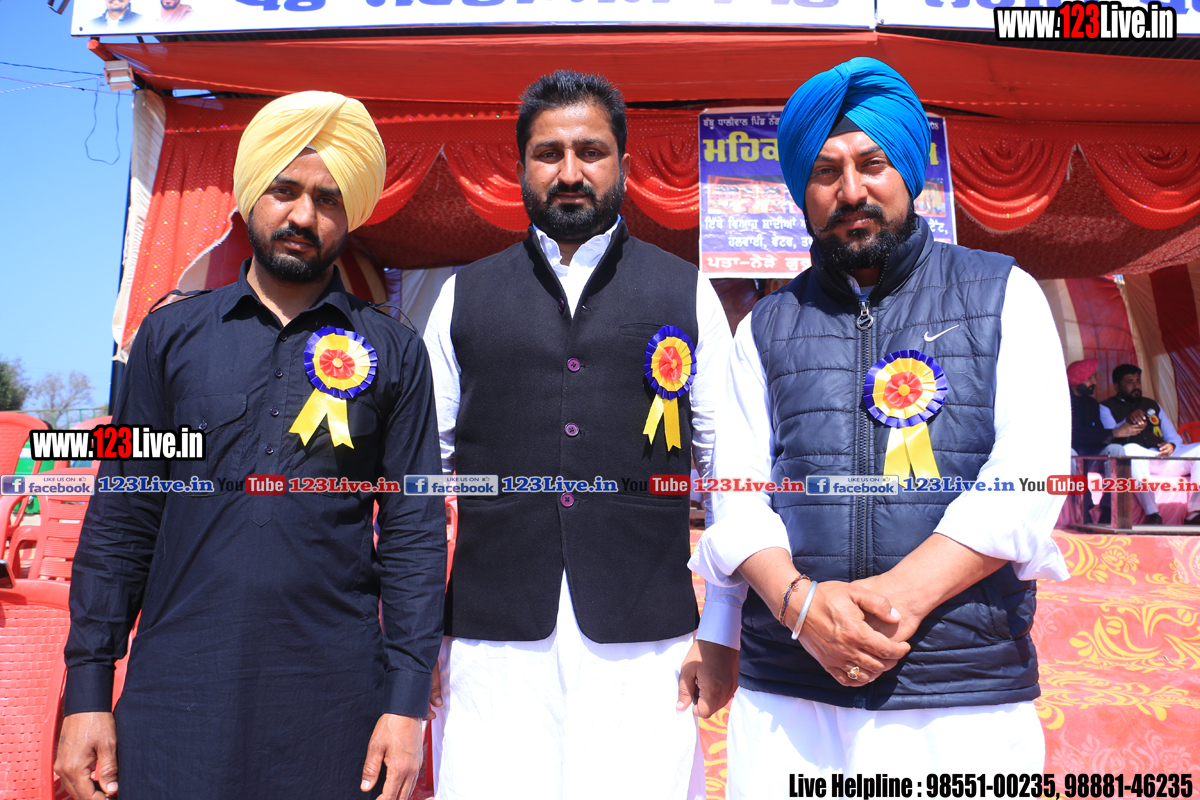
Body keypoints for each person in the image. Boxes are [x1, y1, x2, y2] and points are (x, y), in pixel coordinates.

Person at [688, 58, 1071, 796]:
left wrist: (894, 602)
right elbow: (735, 494)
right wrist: (803, 609)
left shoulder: (1003, 294)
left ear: (909, 173)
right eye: (825, 171)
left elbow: (1028, 481)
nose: (852, 190)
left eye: (872, 163)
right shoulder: (764, 328)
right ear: (801, 191)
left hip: (958, 694)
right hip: (789, 696)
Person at [56, 91, 446, 800]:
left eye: (328, 199)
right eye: (284, 190)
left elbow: (413, 534)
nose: (303, 216)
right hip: (177, 692)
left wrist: (407, 700)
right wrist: (87, 688)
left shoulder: (393, 351)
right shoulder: (168, 337)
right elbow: (123, 515)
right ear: (250, 195)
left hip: (337, 702)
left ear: (351, 213)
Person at [423, 70, 738, 800]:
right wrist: (417, 634)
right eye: (549, 153)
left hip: (648, 642)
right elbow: (423, 476)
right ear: (521, 167)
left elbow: (726, 467)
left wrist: (721, 626)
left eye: (590, 151)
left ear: (623, 164)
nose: (570, 173)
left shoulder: (685, 290)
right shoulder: (461, 296)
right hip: (490, 640)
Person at [1100, 363, 1200, 524]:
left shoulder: (1153, 405)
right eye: (1130, 382)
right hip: (1138, 460)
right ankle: (1152, 513)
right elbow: (1110, 435)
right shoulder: (1106, 407)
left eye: (1138, 381)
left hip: (1163, 457)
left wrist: (1172, 446)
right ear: (1117, 386)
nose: (1136, 386)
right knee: (1130, 449)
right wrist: (1126, 421)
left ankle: (1194, 513)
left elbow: (1174, 437)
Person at [1067, 358, 1133, 525]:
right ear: (1077, 378)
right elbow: (1073, 435)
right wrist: (1114, 432)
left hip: (1089, 455)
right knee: (1069, 453)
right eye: (1090, 378)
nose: (1095, 382)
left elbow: (1097, 434)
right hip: (1072, 455)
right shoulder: (1063, 401)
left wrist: (1116, 434)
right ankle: (1084, 508)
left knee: (1116, 450)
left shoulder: (1092, 403)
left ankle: (1110, 508)